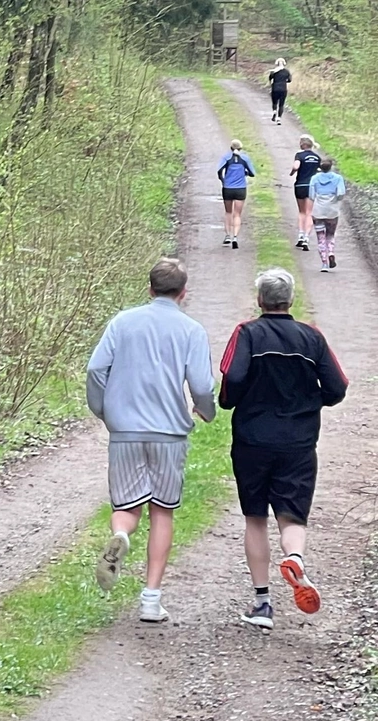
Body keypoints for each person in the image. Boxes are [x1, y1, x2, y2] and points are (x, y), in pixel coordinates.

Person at [86, 258, 216, 623]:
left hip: (124, 430)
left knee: (126, 505)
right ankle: (150, 598)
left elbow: (96, 368)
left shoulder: (122, 322)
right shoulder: (191, 330)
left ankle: (120, 536)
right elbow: (202, 386)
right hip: (169, 432)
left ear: (150, 289)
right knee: (162, 510)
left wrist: (103, 410)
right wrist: (206, 410)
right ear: (183, 293)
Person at [219, 269, 348, 629]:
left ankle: (262, 605)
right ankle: (295, 557)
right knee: (292, 513)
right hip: (298, 441)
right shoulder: (312, 337)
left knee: (255, 517)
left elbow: (233, 377)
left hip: (253, 439)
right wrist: (311, 402)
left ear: (260, 300)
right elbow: (338, 387)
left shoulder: (247, 333)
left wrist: (230, 402)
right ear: (290, 301)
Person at [217, 139, 256, 249]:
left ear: (231, 147)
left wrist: (222, 179)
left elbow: (219, 169)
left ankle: (227, 235)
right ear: (241, 148)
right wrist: (245, 172)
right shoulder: (245, 158)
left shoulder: (226, 157)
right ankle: (235, 237)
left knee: (228, 212)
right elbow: (252, 173)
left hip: (228, 188)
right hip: (240, 189)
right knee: (237, 214)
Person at [310, 156, 346, 273]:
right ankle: (331, 252)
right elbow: (341, 193)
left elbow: (311, 195)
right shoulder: (338, 178)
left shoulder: (314, 178)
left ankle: (324, 263)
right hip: (332, 211)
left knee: (320, 237)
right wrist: (334, 200)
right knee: (330, 235)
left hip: (318, 210)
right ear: (331, 167)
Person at [290, 135, 322, 250]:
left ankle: (300, 236)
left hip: (300, 185)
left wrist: (292, 172)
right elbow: (321, 171)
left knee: (302, 212)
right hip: (312, 186)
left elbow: (296, 166)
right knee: (309, 212)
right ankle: (307, 238)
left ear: (303, 144)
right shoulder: (317, 157)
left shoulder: (299, 155)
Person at [268, 58, 292, 124]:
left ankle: (274, 112)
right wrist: (284, 81)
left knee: (274, 103)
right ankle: (279, 119)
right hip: (283, 89)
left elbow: (270, 78)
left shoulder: (274, 71)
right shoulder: (287, 71)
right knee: (281, 104)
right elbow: (289, 80)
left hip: (275, 88)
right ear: (284, 63)